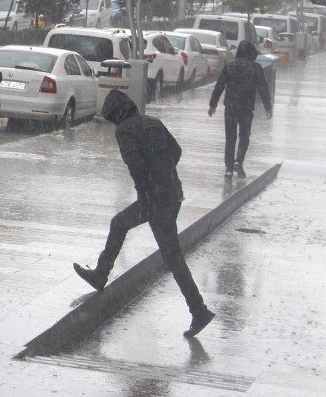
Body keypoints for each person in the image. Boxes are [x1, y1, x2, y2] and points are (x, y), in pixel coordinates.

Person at [73, 89, 215, 338]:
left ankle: (101, 275)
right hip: (172, 193)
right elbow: (176, 151)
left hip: (155, 199)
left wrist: (147, 188)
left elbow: (135, 165)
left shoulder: (125, 130)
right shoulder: (153, 122)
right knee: (171, 255)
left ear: (116, 114)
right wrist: (163, 172)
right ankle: (198, 310)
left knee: (123, 227)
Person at [208, 39, 273, 178]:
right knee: (244, 135)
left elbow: (219, 85)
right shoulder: (255, 68)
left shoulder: (229, 66)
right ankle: (239, 161)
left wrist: (212, 104)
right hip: (246, 107)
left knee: (230, 137)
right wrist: (268, 107)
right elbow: (263, 88)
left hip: (231, 107)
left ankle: (229, 168)